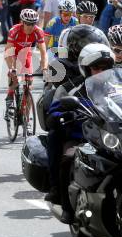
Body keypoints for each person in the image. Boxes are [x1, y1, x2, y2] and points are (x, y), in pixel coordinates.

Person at [45, 43, 114, 224]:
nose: (100, 72)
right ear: (86, 69)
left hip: (110, 139)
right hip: (82, 138)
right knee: (69, 158)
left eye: (105, 68)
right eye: (96, 68)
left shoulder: (116, 87)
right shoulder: (72, 88)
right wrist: (66, 114)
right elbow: (54, 112)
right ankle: (67, 206)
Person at [5, 9, 48, 115]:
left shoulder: (38, 31)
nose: (30, 26)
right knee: (14, 76)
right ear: (22, 22)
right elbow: (8, 52)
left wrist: (45, 69)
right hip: (13, 53)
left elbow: (43, 52)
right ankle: (10, 93)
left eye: (33, 24)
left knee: (29, 86)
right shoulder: (14, 31)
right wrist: (11, 68)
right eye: (28, 23)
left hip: (25, 54)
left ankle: (27, 120)